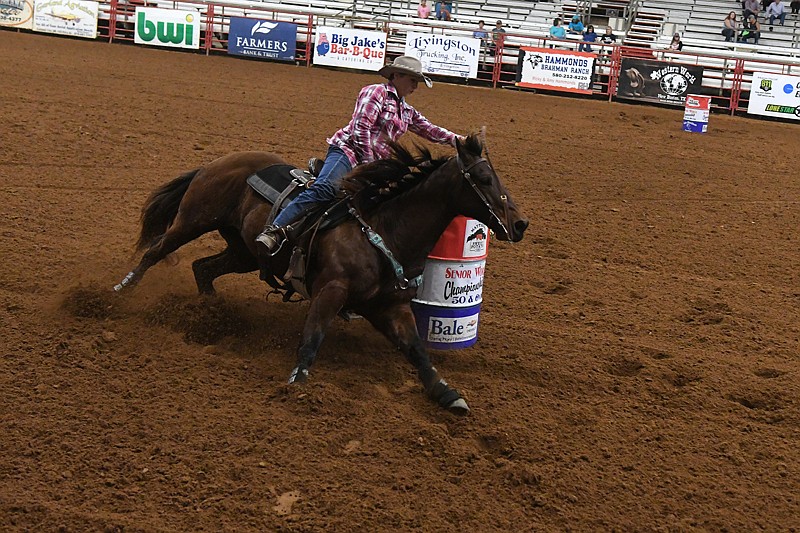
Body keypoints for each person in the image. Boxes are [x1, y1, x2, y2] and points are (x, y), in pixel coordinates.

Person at [255, 56, 463, 255]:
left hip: (373, 164)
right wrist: (370, 164)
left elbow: (430, 130)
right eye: (412, 80)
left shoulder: (406, 111)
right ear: (396, 76)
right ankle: (274, 229)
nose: (415, 87)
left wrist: (459, 140)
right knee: (326, 188)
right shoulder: (376, 93)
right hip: (348, 152)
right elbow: (360, 129)